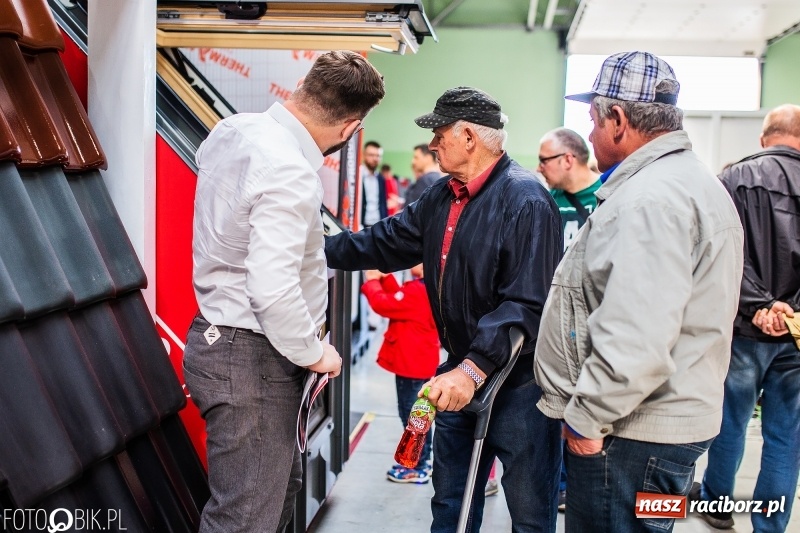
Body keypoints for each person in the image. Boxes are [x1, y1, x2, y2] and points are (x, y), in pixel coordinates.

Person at [326, 86, 563, 533]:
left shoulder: (526, 200)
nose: (432, 144)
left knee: (530, 513)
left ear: (469, 137)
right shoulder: (442, 195)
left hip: (519, 384)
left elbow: (526, 303)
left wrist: (472, 370)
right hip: (458, 370)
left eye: (439, 134)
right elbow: (386, 240)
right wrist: (317, 249)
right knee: (451, 505)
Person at [534, 51, 744, 533]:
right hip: (664, 428)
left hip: (631, 435)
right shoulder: (690, 182)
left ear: (619, 119)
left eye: (593, 122)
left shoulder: (650, 199)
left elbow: (638, 333)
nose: (590, 136)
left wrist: (587, 418)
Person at [184, 50, 384, 533]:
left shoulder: (231, 130)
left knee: (277, 494)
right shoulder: (291, 172)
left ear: (302, 86)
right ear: (351, 128)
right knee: (246, 519)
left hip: (221, 339)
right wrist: (315, 352)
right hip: (253, 359)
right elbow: (272, 289)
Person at [690, 104, 800, 532]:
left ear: (763, 138)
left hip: (743, 330)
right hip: (796, 336)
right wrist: (790, 312)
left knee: (730, 422)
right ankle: (769, 527)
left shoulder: (733, 178)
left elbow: (720, 253)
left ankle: (717, 505)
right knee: (786, 436)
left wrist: (761, 305)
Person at [361, 264, 440, 484]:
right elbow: (399, 298)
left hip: (411, 365)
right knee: (417, 414)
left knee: (412, 415)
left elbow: (384, 304)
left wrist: (372, 281)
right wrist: (386, 278)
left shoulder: (418, 291)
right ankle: (419, 462)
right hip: (420, 362)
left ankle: (418, 466)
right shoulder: (428, 287)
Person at [537, 128, 601, 251]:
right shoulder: (548, 200)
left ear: (567, 160)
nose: (538, 169)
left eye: (543, 161)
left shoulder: (606, 195)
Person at [361, 140, 388, 227]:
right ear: (364, 155)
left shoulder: (381, 178)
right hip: (361, 224)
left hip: (377, 224)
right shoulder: (357, 176)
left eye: (378, 156)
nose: (375, 159)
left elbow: (383, 203)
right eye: (371, 155)